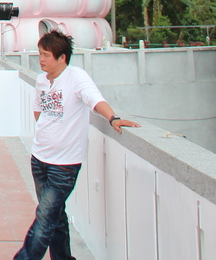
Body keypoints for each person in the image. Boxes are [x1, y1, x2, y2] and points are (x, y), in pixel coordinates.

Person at [13, 30, 138, 260]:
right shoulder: (42, 80)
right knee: (55, 217)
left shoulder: (76, 77)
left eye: (47, 55)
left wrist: (113, 118)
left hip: (64, 165)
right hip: (39, 159)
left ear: (62, 58)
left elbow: (94, 99)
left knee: (44, 218)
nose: (41, 59)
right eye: (40, 54)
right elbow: (38, 109)